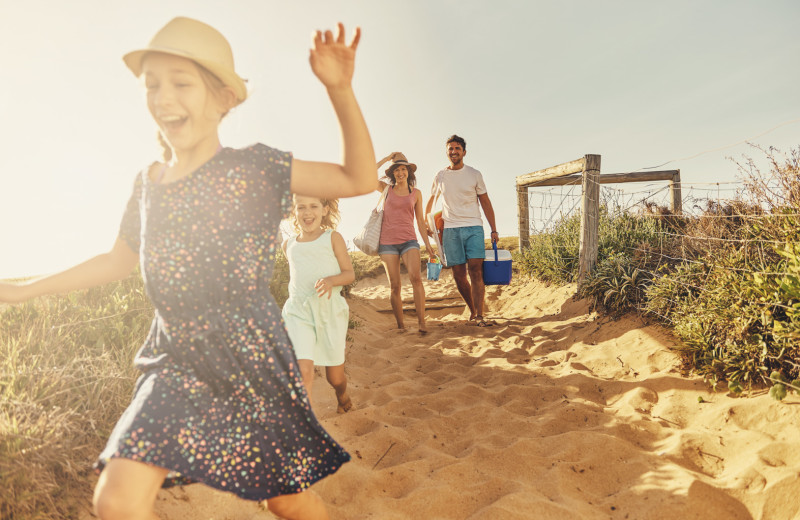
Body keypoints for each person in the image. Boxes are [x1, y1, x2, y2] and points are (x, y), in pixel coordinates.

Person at [0, 16, 375, 520]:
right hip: (172, 361)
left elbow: (358, 176)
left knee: (285, 499)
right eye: (152, 84)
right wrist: (23, 291)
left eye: (181, 83)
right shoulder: (147, 183)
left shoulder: (256, 169)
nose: (163, 96)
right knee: (115, 501)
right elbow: (116, 260)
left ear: (223, 98)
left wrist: (341, 90)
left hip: (250, 361)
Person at [282, 195, 354, 413]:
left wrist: (331, 281)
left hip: (328, 312)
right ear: (294, 211)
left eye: (313, 206)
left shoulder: (332, 238)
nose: (307, 212)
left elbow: (349, 273)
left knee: (335, 377)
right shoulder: (289, 244)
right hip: (298, 311)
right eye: (301, 207)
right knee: (303, 371)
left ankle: (342, 397)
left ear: (324, 210)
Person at [425, 135, 498, 327]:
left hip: (474, 226)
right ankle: (473, 311)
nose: (454, 152)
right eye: (450, 149)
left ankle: (480, 314)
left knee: (475, 270)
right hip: (450, 229)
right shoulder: (440, 175)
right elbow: (431, 202)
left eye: (457, 148)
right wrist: (428, 224)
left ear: (464, 152)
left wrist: (494, 229)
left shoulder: (474, 174)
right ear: (447, 152)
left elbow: (485, 201)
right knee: (458, 274)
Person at [374, 152, 435, 334]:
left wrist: (429, 246)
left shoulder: (416, 194)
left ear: (409, 171)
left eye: (403, 169)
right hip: (387, 243)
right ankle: (401, 326)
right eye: (397, 170)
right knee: (395, 286)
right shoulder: (385, 188)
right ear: (392, 173)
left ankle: (422, 323)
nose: (400, 173)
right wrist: (386, 159)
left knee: (416, 278)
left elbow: (420, 222)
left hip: (409, 240)